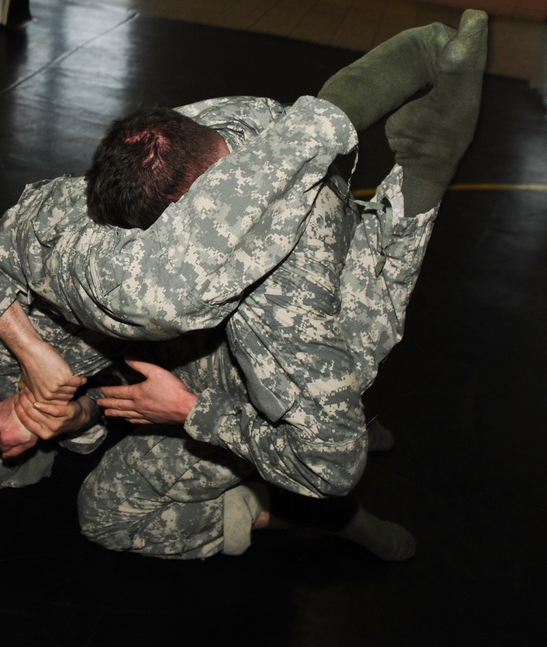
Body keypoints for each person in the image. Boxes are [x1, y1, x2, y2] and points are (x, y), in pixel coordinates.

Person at [0, 18, 479, 555]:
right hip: (141, 348)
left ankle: (329, 116)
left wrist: (34, 358)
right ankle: (419, 180)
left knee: (145, 289)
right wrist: (64, 419)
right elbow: (85, 430)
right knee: (328, 378)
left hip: (49, 254)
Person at [69, 12, 486, 558]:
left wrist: (188, 411)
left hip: (304, 366)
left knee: (106, 515)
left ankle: (316, 518)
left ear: (189, 217)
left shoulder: (276, 303)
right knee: (350, 320)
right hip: (340, 252)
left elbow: (331, 465)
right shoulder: (225, 123)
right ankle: (425, 171)